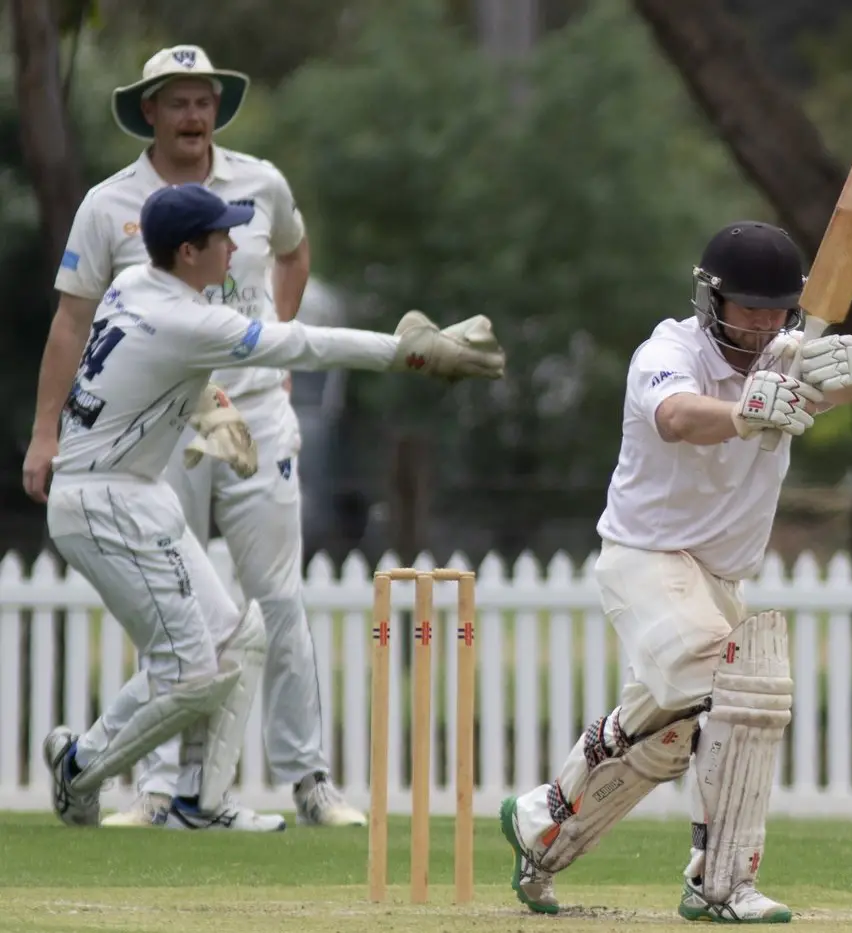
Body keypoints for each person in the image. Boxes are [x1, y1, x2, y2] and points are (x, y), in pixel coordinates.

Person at [42, 182, 505, 831]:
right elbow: (302, 345)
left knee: (240, 637)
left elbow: (147, 371)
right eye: (222, 236)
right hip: (105, 500)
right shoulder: (193, 318)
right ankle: (81, 765)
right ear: (188, 250)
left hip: (129, 490)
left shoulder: (136, 287)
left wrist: (210, 406)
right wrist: (409, 352)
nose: (235, 245)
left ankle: (198, 805)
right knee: (194, 668)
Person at [22, 45, 363, 827]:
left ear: (218, 109)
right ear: (149, 110)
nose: (193, 115)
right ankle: (157, 788)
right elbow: (72, 322)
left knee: (277, 600)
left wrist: (272, 344)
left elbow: (294, 252)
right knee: (176, 608)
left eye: (204, 101)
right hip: (167, 426)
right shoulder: (111, 203)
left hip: (258, 414)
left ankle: (308, 779)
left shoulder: (261, 181)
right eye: (176, 102)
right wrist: (46, 433)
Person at [498, 221, 852, 922]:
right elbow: (675, 417)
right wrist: (745, 411)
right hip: (647, 558)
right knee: (738, 693)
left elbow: (830, 390)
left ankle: (543, 820)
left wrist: (843, 380)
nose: (761, 325)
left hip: (720, 578)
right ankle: (719, 881)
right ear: (712, 301)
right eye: (747, 308)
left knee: (670, 735)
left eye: (776, 309)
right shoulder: (667, 351)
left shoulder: (788, 351)